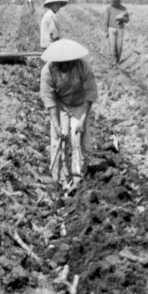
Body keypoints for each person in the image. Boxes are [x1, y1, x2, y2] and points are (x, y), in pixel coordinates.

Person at [39, 38, 98, 187]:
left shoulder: (83, 66)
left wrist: (83, 120)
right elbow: (49, 99)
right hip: (60, 105)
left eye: (68, 62)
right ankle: (61, 179)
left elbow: (90, 94)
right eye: (61, 63)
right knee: (59, 140)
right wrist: (57, 125)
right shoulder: (48, 71)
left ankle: (78, 178)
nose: (64, 65)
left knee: (78, 139)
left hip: (79, 104)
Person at [104, 0, 130, 64]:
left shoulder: (124, 9)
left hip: (120, 28)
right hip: (111, 28)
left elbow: (127, 20)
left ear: (120, 0)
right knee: (112, 46)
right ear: (112, 0)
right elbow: (106, 20)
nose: (116, 2)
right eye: (115, 0)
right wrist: (106, 31)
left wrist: (122, 18)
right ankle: (114, 61)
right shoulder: (109, 8)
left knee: (119, 46)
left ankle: (118, 60)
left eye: (118, 0)